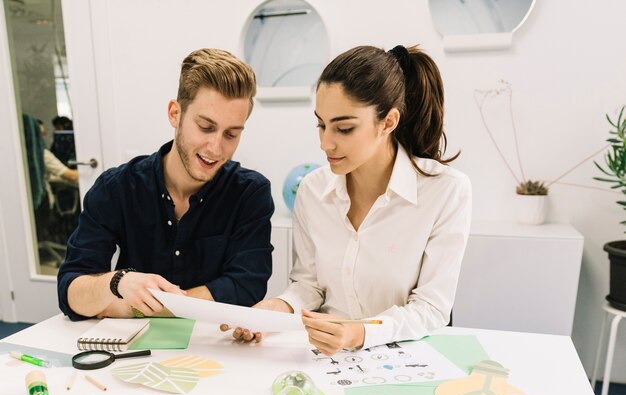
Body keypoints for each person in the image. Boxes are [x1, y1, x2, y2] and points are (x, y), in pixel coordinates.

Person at [228, 44, 471, 355]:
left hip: (407, 359)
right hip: (325, 359)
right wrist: (276, 308)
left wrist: (358, 333)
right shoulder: (313, 190)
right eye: (321, 124)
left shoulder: (446, 191)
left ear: (388, 122)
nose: (325, 142)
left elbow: (431, 309)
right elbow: (309, 285)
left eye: (344, 128)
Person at [57, 48, 274, 320]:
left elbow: (247, 286)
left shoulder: (250, 192)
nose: (216, 148)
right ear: (175, 113)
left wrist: (134, 308)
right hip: (131, 347)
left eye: (231, 134)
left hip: (212, 346)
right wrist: (117, 282)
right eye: (206, 127)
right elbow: (71, 291)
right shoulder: (117, 187)